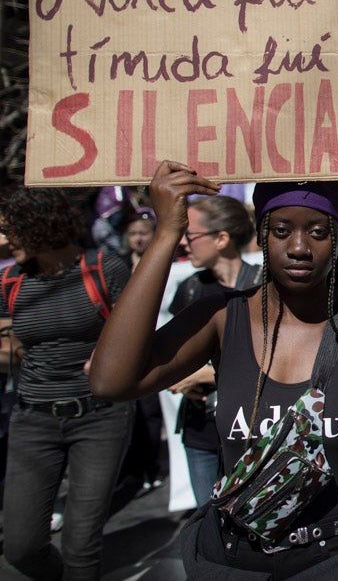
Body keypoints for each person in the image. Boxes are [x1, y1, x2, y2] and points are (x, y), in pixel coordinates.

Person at [89, 161, 338, 577]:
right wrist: (166, 233)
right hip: (239, 560)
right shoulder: (222, 317)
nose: (298, 247)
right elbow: (111, 379)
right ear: (261, 234)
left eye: (318, 232)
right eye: (281, 231)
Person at [0, 187, 133, 580]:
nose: (6, 241)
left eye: (12, 231)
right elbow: (8, 343)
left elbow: (138, 332)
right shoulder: (10, 282)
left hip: (100, 417)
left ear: (40, 227)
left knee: (80, 545)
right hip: (32, 420)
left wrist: (113, 356)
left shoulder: (104, 269)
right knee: (21, 547)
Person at [168, 194, 260, 507]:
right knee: (210, 526)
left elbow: (276, 362)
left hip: (254, 431)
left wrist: (205, 375)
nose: (182, 242)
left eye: (190, 234)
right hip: (201, 434)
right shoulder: (190, 289)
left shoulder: (263, 287)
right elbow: (171, 356)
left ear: (221, 238)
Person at [118, 207, 167, 492]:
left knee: (150, 411)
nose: (137, 239)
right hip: (130, 345)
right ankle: (133, 469)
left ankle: (150, 466)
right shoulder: (119, 264)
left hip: (159, 340)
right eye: (133, 233)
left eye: (142, 233)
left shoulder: (167, 264)